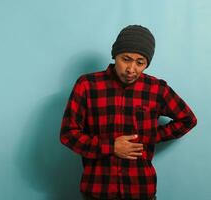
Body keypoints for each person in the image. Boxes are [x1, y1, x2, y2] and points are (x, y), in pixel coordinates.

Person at [60, 25, 198, 200]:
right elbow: (68, 134)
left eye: (140, 62)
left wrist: (151, 136)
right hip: (98, 189)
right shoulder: (87, 85)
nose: (131, 69)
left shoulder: (157, 89)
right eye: (126, 59)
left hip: (141, 189)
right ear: (115, 55)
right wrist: (111, 146)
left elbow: (188, 119)